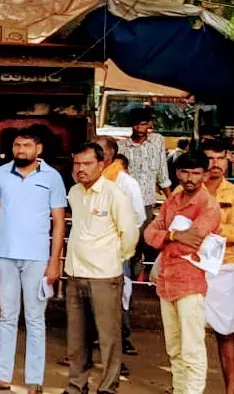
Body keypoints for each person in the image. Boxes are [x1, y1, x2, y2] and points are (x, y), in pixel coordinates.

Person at [0, 129, 67, 394]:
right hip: (4, 256)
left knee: (36, 318)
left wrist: (54, 261)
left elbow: (59, 223)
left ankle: (34, 381)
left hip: (38, 259)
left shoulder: (52, 177)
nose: (20, 150)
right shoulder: (1, 174)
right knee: (6, 317)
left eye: (26, 145)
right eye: (17, 145)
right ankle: (2, 376)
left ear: (38, 149)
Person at [64, 142, 138, 394]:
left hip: (105, 276)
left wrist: (116, 258)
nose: (81, 169)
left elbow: (129, 233)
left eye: (87, 164)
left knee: (108, 338)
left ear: (101, 164)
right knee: (76, 338)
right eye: (77, 163)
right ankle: (76, 385)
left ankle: (107, 387)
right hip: (74, 274)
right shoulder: (74, 192)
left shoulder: (114, 194)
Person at [144, 152, 221, 394]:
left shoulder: (209, 205)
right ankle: (179, 390)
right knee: (174, 346)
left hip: (190, 282)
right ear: (177, 173)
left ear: (205, 175)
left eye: (196, 173)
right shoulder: (173, 199)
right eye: (185, 172)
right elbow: (148, 234)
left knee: (192, 348)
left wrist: (166, 237)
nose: (190, 178)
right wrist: (173, 235)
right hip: (167, 281)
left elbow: (193, 241)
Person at [201, 138, 234, 394]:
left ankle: (230, 390)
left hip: (224, 267)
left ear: (228, 159)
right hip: (190, 267)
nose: (215, 164)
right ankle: (188, 387)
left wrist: (200, 226)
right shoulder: (185, 189)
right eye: (210, 158)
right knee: (188, 333)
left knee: (226, 332)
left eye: (220, 158)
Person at [95, 139, 146, 357]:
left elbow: (138, 217)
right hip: (93, 249)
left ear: (111, 153)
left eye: (100, 150)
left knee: (119, 295)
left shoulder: (125, 182)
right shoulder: (89, 178)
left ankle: (121, 341)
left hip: (117, 249)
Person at [119, 108, 169, 279]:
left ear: (149, 124)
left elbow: (162, 172)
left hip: (147, 202)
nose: (140, 128)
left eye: (143, 123)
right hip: (125, 203)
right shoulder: (122, 147)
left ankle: (147, 276)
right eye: (136, 124)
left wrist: (171, 200)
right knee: (129, 242)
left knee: (148, 241)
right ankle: (129, 279)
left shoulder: (157, 142)